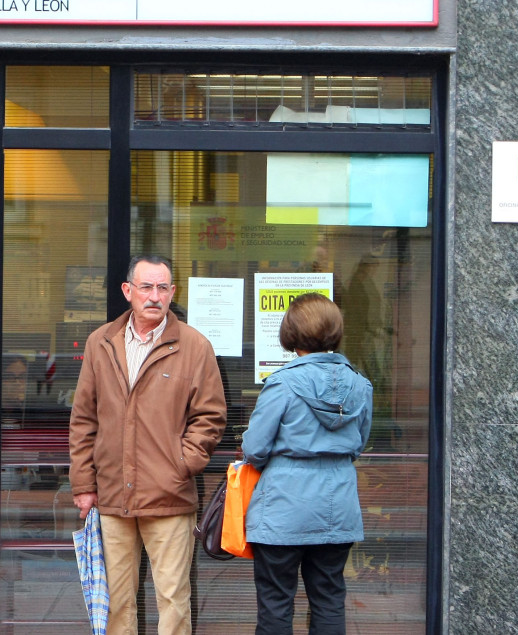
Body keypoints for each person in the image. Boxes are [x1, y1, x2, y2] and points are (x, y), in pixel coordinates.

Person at [69, 254, 227, 635]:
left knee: (173, 599)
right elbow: (83, 419)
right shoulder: (100, 342)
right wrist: (83, 485)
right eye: (146, 287)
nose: (154, 296)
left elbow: (211, 416)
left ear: (172, 293)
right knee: (117, 602)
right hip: (111, 494)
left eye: (162, 288)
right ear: (128, 291)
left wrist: (181, 463)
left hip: (169, 495)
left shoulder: (194, 346)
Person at [241, 293, 373, 635]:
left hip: (283, 508)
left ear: (290, 334)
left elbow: (254, 449)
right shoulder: (360, 385)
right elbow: (357, 445)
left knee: (276, 603)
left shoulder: (282, 384)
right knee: (329, 599)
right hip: (338, 505)